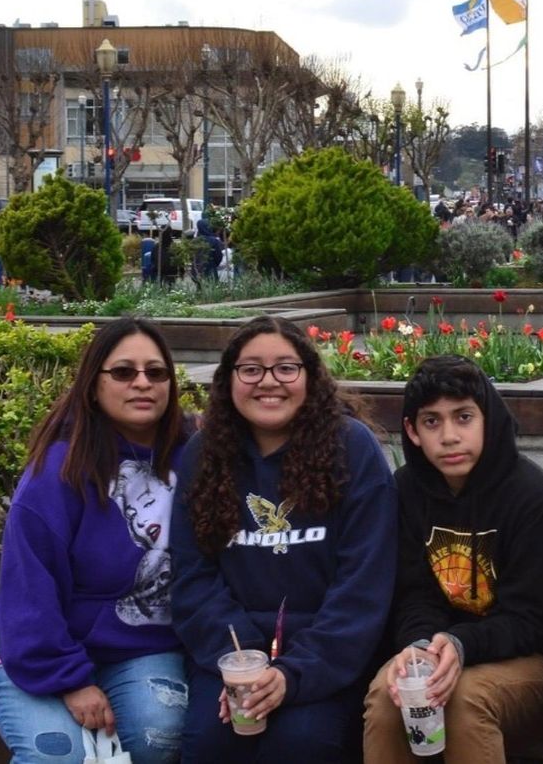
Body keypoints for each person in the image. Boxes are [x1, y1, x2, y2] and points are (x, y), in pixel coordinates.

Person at [170, 316, 397, 763]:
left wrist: (293, 674)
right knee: (210, 743)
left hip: (328, 655)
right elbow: (192, 578)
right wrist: (245, 664)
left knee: (301, 742)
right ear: (229, 380)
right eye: (251, 369)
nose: (268, 381)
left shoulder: (352, 449)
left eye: (286, 368)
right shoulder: (203, 455)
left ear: (309, 377)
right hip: (233, 652)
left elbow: (363, 584)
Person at [0, 317, 190, 764]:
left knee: (159, 735)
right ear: (94, 385)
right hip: (37, 647)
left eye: (156, 372)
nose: (142, 383)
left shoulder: (192, 455)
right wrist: (70, 680)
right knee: (57, 754)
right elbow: (28, 589)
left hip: (142, 646)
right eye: (123, 372)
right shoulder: (59, 469)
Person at [362, 356, 543, 764]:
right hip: (440, 652)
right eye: (432, 421)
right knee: (389, 695)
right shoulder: (407, 490)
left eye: (464, 417)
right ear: (412, 431)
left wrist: (462, 644)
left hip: (529, 662)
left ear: (488, 418)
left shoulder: (534, 498)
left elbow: (532, 618)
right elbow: (413, 593)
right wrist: (421, 646)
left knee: (465, 699)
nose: (449, 436)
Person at [191, 217, 224, 283]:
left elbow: (191, 256)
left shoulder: (194, 241)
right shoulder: (214, 241)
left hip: (197, 269)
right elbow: (218, 256)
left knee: (199, 286)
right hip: (210, 268)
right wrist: (214, 264)